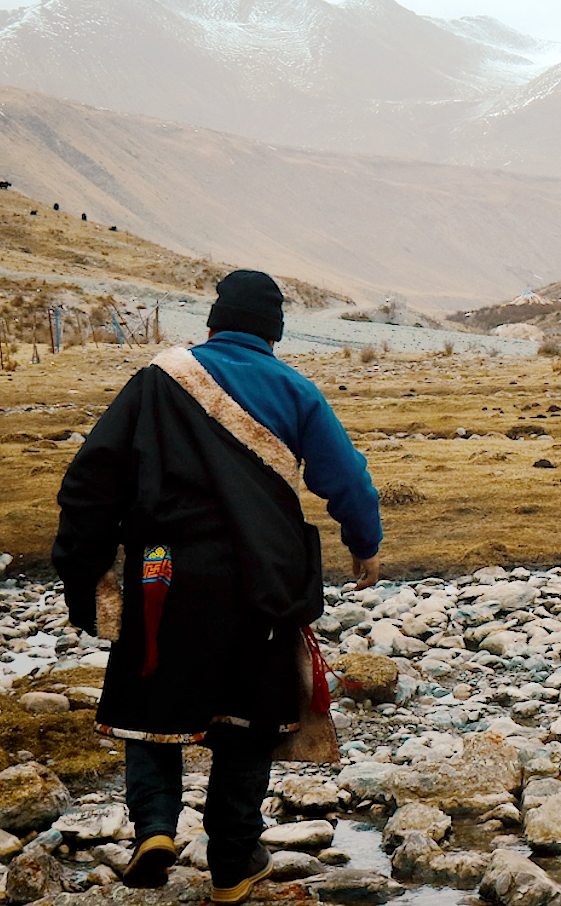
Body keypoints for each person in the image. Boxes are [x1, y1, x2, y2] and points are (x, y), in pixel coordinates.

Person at [52, 270, 383, 901]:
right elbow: (349, 479)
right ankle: (233, 859)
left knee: (151, 701)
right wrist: (364, 545)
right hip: (260, 583)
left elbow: (92, 480)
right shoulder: (295, 389)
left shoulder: (155, 380)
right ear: (275, 333)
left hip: (161, 573)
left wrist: (81, 570)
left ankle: (153, 828)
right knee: (247, 716)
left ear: (212, 322)